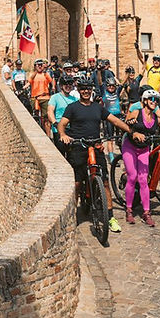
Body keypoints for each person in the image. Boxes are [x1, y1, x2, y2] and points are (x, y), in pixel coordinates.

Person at [59, 77, 134, 233]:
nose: (86, 91)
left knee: (105, 182)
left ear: (92, 90)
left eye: (88, 88)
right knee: (77, 183)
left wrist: (131, 131)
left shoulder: (98, 108)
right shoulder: (72, 107)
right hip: (79, 146)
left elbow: (114, 120)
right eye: (83, 88)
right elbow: (62, 124)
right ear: (79, 90)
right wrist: (63, 134)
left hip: (96, 146)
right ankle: (73, 215)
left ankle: (110, 217)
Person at [121, 89, 160, 225]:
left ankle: (146, 212)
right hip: (130, 147)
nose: (154, 102)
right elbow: (126, 123)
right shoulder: (137, 112)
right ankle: (129, 209)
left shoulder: (155, 116)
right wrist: (133, 128)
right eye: (151, 99)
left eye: (156, 100)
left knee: (143, 179)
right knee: (133, 176)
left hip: (144, 149)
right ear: (145, 101)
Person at [46, 75, 79, 143]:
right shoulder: (55, 97)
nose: (68, 86)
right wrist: (54, 122)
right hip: (58, 129)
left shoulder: (75, 99)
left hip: (72, 129)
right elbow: (50, 111)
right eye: (65, 84)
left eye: (70, 84)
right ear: (61, 86)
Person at [100, 76, 123, 160]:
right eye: (109, 85)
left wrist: (116, 77)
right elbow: (100, 82)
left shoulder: (117, 92)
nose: (111, 87)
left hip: (118, 117)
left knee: (120, 138)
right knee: (110, 138)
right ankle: (111, 157)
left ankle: (124, 154)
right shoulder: (104, 92)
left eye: (113, 85)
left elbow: (122, 84)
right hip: (108, 118)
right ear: (106, 86)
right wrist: (99, 72)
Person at [29, 59, 55, 128]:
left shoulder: (46, 74)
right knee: (35, 115)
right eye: (38, 65)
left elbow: (51, 80)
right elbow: (30, 80)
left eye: (41, 65)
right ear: (35, 66)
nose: (40, 66)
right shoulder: (32, 74)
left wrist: (53, 87)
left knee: (46, 117)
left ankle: (47, 132)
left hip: (45, 97)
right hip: (35, 97)